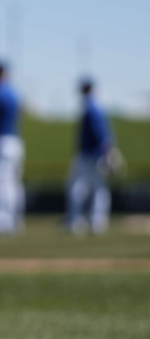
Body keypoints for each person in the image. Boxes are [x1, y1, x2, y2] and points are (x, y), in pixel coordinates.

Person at [65, 78, 124, 235]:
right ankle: (98, 222)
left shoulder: (91, 106)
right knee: (98, 188)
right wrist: (109, 150)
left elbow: (100, 133)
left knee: (78, 187)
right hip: (97, 155)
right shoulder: (98, 105)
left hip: (89, 155)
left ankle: (76, 220)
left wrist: (108, 150)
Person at [0, 61, 25, 235]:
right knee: (13, 183)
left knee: (1, 182)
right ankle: (15, 219)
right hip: (15, 140)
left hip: (0, 140)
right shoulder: (14, 92)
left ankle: (1, 221)